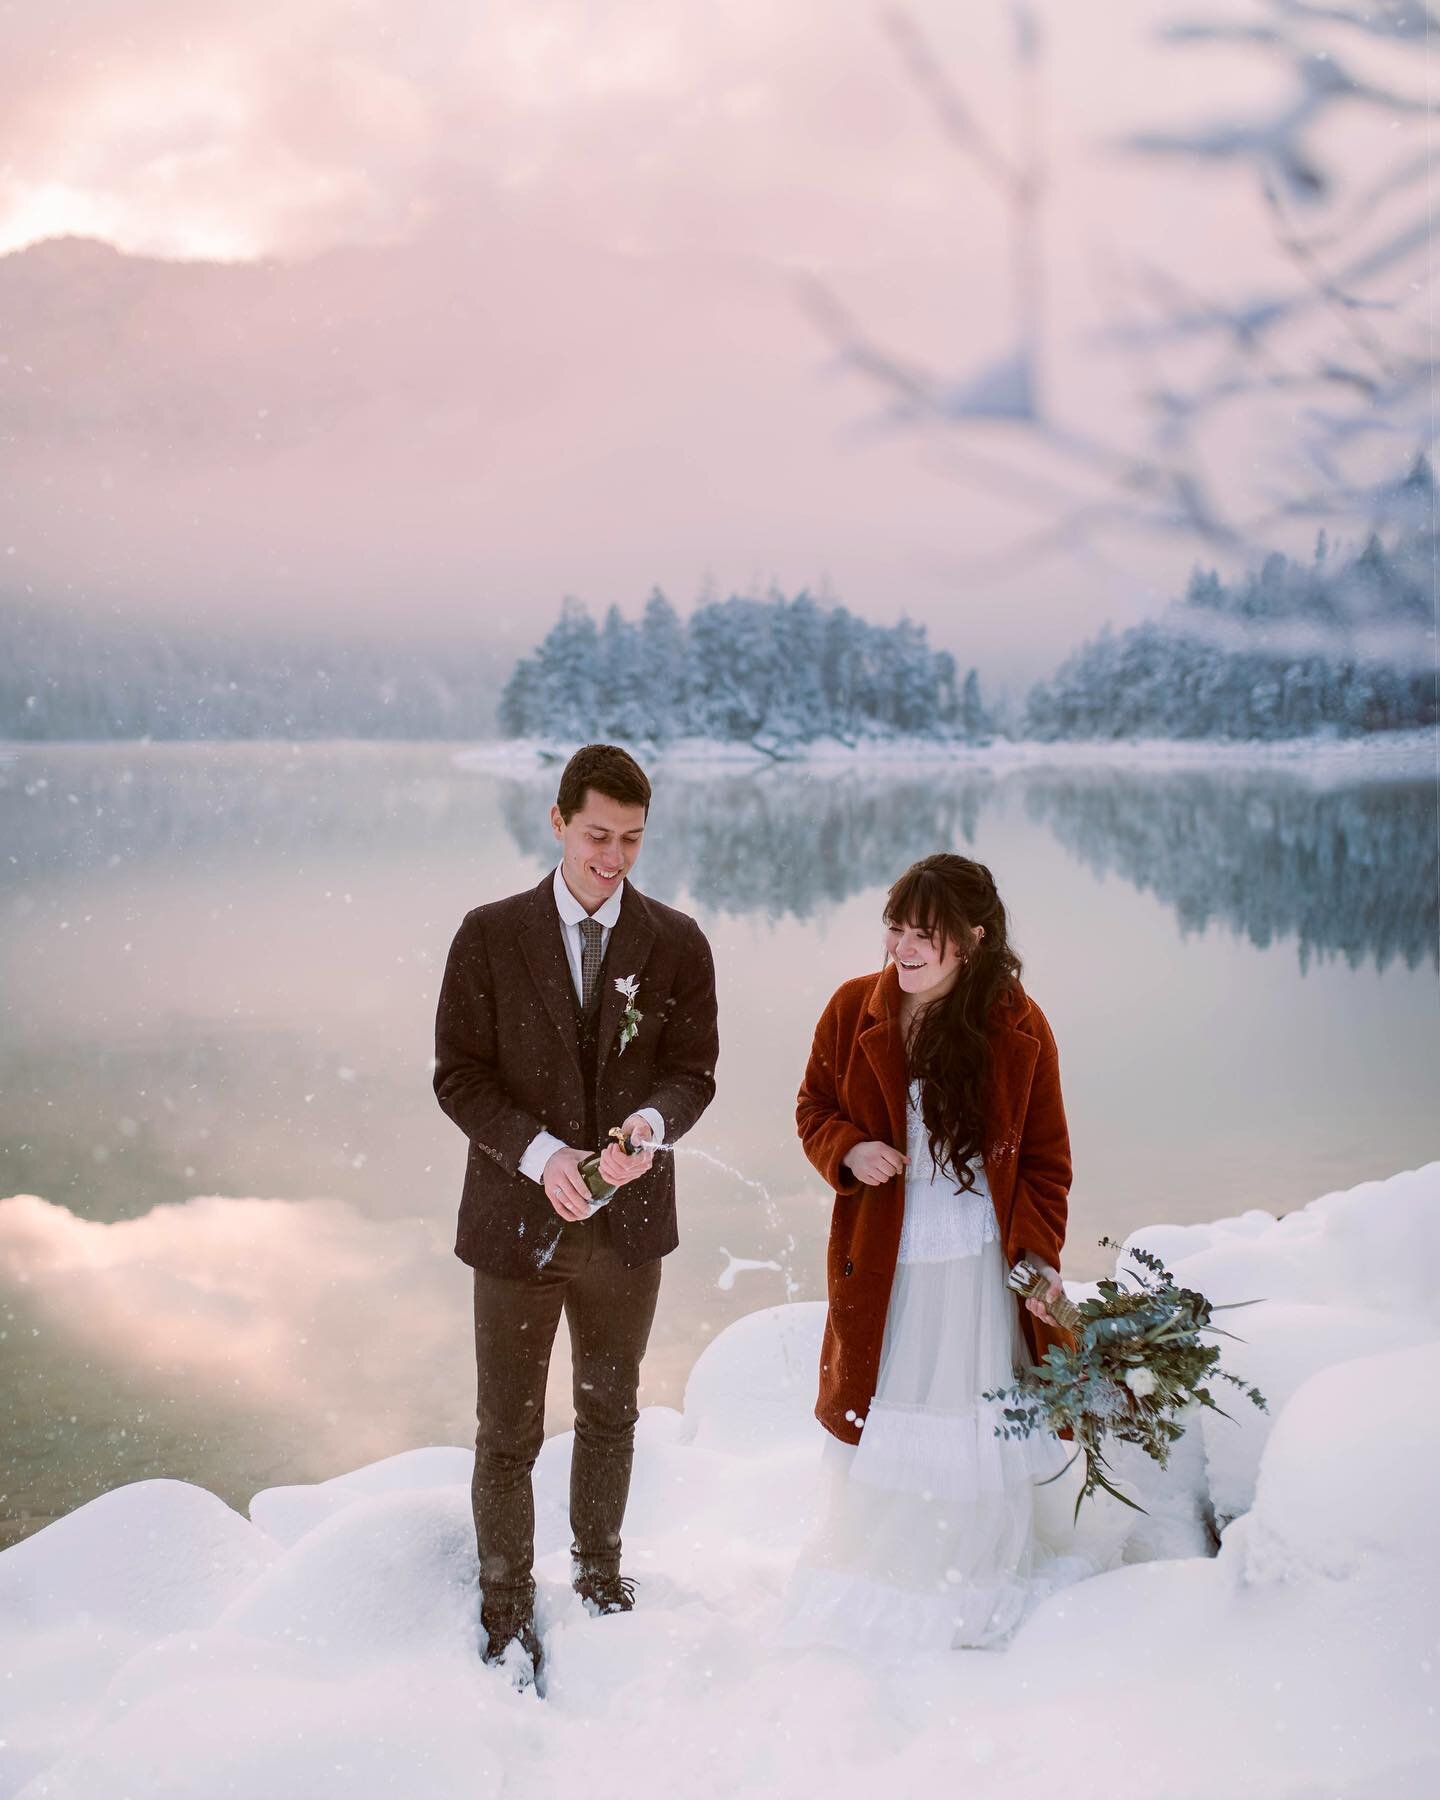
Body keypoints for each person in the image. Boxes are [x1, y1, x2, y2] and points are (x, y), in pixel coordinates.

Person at [434, 743, 719, 1685]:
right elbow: (459, 1079)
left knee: (610, 1411)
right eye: (599, 835)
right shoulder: (487, 933)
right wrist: (540, 1154)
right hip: (516, 1227)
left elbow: (693, 1074)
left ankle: (600, 1578)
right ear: (557, 822)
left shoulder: (678, 942)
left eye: (633, 839)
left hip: (627, 1235)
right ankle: (506, 1605)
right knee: (507, 1431)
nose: (615, 857)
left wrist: (651, 1123)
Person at [786, 852, 1087, 1653]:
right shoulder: (854, 1010)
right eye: (895, 928)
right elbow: (812, 1106)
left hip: (982, 1262)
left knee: (973, 1415)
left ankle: (973, 1571)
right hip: (887, 1261)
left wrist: (1036, 1259)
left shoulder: (1019, 1026)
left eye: (925, 934)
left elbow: (1048, 1161)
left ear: (973, 940)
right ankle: (896, 1573)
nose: (903, 948)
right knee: (888, 1408)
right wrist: (849, 1151)